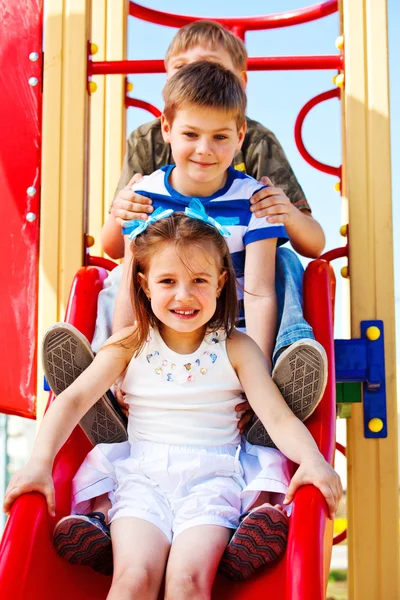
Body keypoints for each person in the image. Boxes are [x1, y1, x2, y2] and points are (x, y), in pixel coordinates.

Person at [4, 213, 342, 597]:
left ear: (221, 283)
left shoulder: (236, 348)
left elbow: (278, 417)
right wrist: (39, 463)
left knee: (187, 582)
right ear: (145, 286)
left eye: (199, 280)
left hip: (212, 480)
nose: (184, 295)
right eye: (168, 281)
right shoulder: (129, 344)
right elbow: (74, 399)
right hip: (141, 478)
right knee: (133, 579)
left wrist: (314, 460)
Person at [43, 21, 327, 451]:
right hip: (164, 285)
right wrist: (120, 210)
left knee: (286, 263)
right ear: (167, 127)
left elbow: (292, 260)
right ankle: (100, 375)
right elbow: (119, 247)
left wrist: (282, 210)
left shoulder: (253, 161)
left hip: (233, 281)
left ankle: (284, 364)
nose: (204, 149)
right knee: (114, 280)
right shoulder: (148, 164)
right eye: (181, 69)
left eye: (219, 138)